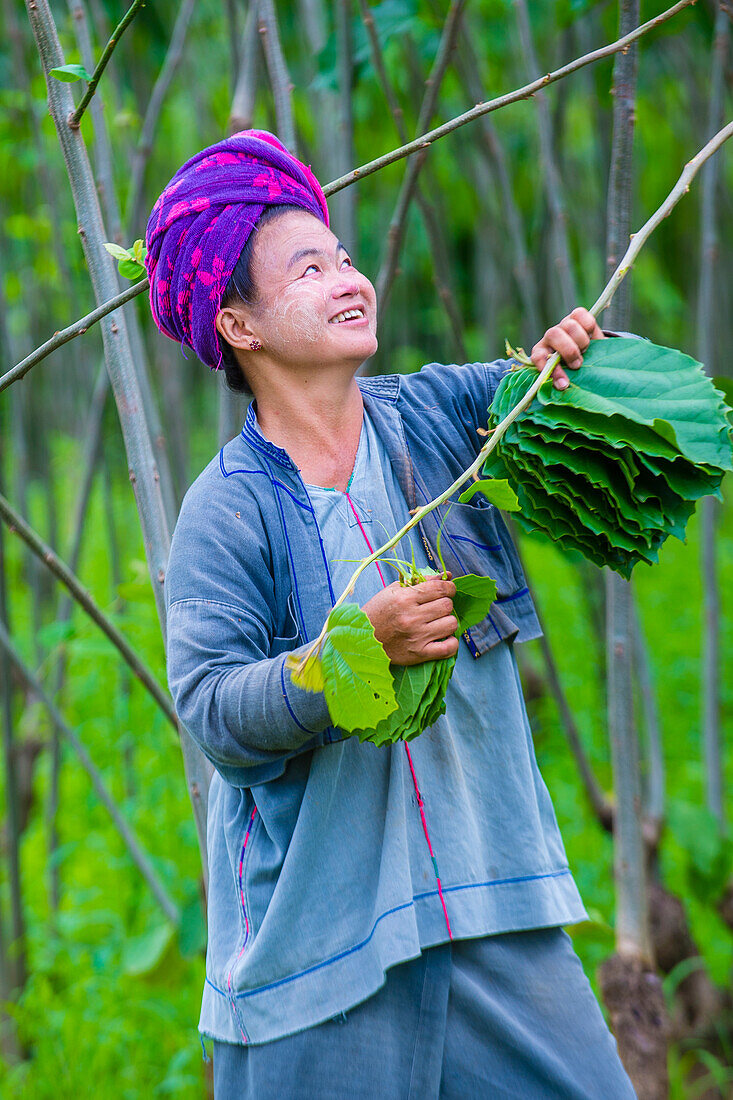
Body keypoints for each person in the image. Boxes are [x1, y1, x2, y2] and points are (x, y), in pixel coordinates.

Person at [146, 130, 637, 1098]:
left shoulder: (443, 416)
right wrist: (346, 655)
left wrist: (576, 364)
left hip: (494, 908)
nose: (348, 278)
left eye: (343, 256)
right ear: (237, 324)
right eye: (308, 268)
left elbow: (578, 427)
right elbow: (211, 709)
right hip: (323, 953)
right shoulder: (226, 508)